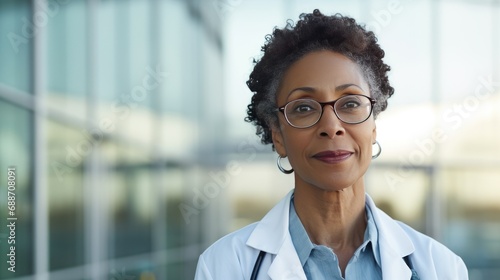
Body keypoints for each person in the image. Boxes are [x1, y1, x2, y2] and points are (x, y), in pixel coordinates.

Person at [194, 9, 468, 280]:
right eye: (303, 108)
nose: (331, 126)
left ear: (372, 126)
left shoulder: (441, 267)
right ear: (278, 135)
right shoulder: (224, 266)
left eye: (350, 103)